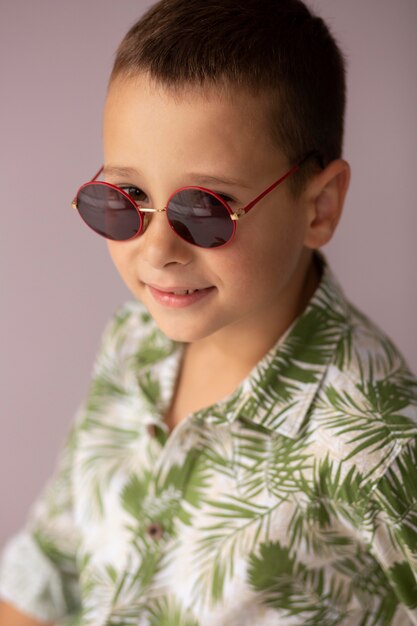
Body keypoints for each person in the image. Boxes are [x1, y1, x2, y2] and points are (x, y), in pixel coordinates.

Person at [1, 0, 416, 624]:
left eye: (207, 208)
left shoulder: (379, 441)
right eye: (127, 196)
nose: (158, 250)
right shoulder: (133, 340)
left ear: (319, 206)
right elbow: (53, 562)